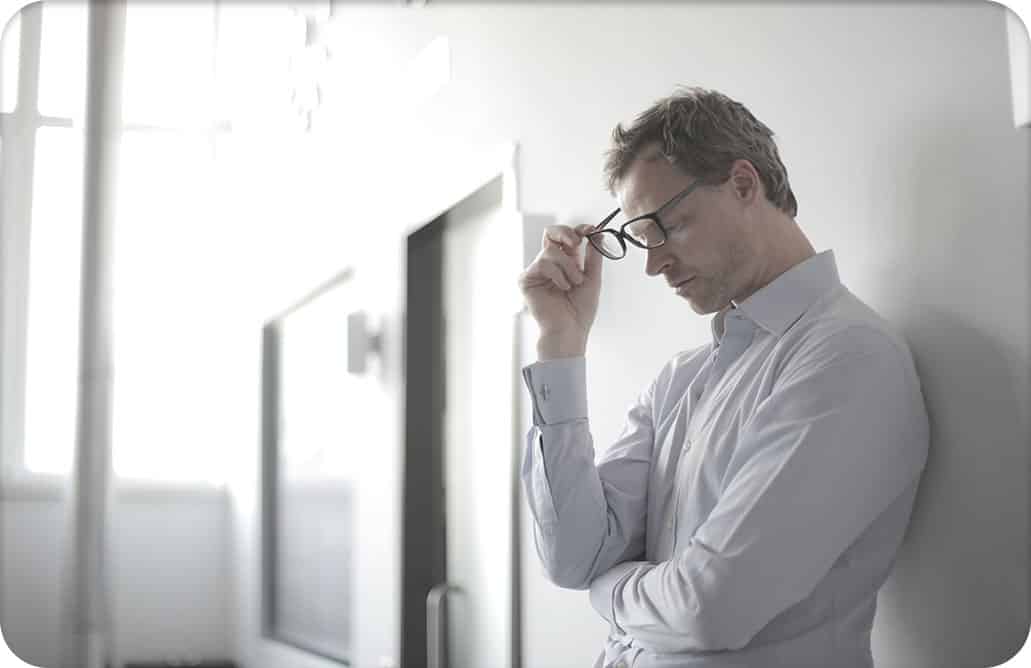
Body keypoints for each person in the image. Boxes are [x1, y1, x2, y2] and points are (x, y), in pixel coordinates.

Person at [517, 87, 929, 668]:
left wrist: (608, 590)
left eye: (665, 226)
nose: (653, 264)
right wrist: (560, 341)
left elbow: (709, 607)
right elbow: (573, 556)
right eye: (638, 238)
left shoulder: (847, 356)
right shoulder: (680, 380)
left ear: (742, 184)